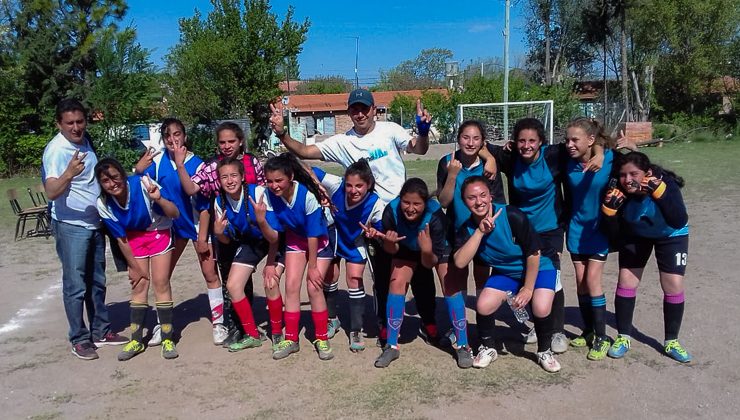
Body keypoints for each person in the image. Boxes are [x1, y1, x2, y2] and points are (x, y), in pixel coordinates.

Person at [270, 89, 463, 346]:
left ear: (374, 109)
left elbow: (418, 147)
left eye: (364, 108)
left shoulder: (390, 130)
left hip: (404, 211)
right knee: (383, 275)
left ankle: (429, 322)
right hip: (373, 217)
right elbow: (304, 151)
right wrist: (282, 132)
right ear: (349, 112)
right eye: (354, 109)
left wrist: (424, 130)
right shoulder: (342, 142)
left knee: (419, 272)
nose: (359, 113)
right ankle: (385, 327)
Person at [42, 98, 127, 360]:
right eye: (70, 123)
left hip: (93, 223)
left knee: (97, 281)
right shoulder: (57, 151)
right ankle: (79, 338)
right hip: (71, 226)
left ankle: (101, 330)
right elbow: (51, 191)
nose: (76, 128)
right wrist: (68, 173)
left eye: (80, 122)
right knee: (76, 284)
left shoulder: (85, 141)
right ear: (59, 124)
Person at [453, 176, 561, 373]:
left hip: (540, 265)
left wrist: (528, 288)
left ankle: (544, 350)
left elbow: (534, 252)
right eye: (471, 198)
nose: (479, 202)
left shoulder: (512, 215)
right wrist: (479, 232)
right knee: (483, 304)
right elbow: (460, 262)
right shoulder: (467, 228)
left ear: (491, 195)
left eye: (483, 195)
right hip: (507, 272)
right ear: (464, 201)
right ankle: (488, 347)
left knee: (540, 306)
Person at [135, 118, 227, 346]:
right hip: (170, 226)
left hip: (196, 225)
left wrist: (203, 238)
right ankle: (162, 324)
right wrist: (138, 169)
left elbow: (205, 206)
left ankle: (219, 323)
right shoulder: (157, 161)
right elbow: (140, 184)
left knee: (210, 273)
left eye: (177, 134)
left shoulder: (198, 164)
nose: (172, 139)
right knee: (161, 277)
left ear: (184, 137)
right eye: (167, 136)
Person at [174, 121, 266, 347]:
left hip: (253, 229)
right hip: (225, 229)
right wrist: (180, 165)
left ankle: (247, 325)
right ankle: (235, 327)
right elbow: (192, 189)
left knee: (246, 281)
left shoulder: (252, 162)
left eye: (231, 141)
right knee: (228, 280)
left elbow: (266, 190)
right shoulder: (210, 166)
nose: (226, 146)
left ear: (240, 141)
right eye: (222, 142)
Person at [601, 151, 692, 363]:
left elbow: (678, 219)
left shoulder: (664, 183)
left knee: (673, 284)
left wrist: (660, 193)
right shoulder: (617, 190)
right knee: (626, 281)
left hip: (670, 234)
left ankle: (671, 341)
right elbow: (614, 237)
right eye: (624, 175)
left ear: (647, 173)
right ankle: (623, 337)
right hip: (637, 234)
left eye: (634, 174)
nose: (628, 180)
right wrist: (609, 213)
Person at [94, 158, 181, 361]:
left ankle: (168, 338)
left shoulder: (143, 184)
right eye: (105, 181)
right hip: (134, 238)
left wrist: (158, 198)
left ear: (123, 176)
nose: (112, 183)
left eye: (115, 177)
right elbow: (121, 239)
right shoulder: (103, 203)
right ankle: (136, 339)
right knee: (139, 285)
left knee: (161, 282)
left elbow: (174, 213)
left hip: (158, 231)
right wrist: (134, 267)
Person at [363, 178, 452, 368]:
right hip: (403, 249)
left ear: (425, 203)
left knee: (426, 287)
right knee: (396, 283)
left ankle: (430, 327)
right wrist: (390, 242)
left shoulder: (435, 215)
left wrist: (426, 249)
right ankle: (391, 345)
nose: (410, 208)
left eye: (417, 204)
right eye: (406, 202)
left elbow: (430, 263)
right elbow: (391, 251)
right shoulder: (392, 211)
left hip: (429, 251)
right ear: (400, 199)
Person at [436, 120, 505, 353]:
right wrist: (452, 175)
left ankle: (486, 329)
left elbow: (497, 203)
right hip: (458, 231)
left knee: (482, 278)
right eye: (466, 137)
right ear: (458, 138)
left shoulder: (488, 166)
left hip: (484, 231)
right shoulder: (446, 162)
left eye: (476, 138)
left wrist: (492, 159)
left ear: (482, 142)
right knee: (458, 277)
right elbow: (444, 201)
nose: (470, 143)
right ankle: (460, 326)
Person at [263, 153, 335, 361]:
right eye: (270, 181)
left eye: (279, 180)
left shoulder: (307, 196)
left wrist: (312, 266)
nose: (274, 185)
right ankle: (291, 339)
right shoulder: (268, 197)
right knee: (291, 286)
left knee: (313, 286)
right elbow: (274, 236)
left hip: (317, 242)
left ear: (291, 177)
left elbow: (313, 234)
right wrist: (269, 262)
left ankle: (322, 337)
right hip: (295, 241)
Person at [212, 158, 285, 355]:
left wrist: (261, 221)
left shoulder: (258, 193)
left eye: (234, 175)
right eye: (224, 176)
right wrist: (219, 233)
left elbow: (274, 236)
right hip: (252, 243)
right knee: (233, 286)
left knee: (270, 281)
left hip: (276, 240)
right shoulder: (220, 202)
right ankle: (252, 335)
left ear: (243, 177)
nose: (229, 180)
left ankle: (277, 334)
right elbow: (227, 241)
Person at [312, 160, 386, 352]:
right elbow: (310, 170)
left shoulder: (376, 204)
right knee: (330, 276)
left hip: (354, 243)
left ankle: (355, 329)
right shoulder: (336, 185)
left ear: (369, 184)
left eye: (359, 186)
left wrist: (374, 233)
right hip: (334, 238)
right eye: (349, 185)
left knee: (354, 279)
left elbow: (382, 231)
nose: (353, 190)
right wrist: (317, 184)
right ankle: (332, 319)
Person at [562, 117, 614, 361]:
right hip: (576, 230)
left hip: (599, 230)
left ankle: (602, 337)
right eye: (567, 140)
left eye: (575, 139)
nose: (570, 144)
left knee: (593, 280)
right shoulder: (567, 162)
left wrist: (601, 153)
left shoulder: (610, 159)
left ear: (590, 140)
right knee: (582, 281)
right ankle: (589, 330)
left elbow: (633, 152)